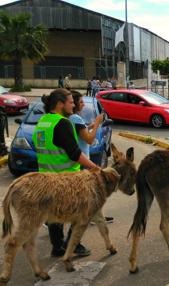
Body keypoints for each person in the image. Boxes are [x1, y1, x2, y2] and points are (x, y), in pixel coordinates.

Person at [34, 88, 99, 258]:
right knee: (81, 213)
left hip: (46, 178)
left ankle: (57, 247)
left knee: (54, 214)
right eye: (70, 102)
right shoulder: (63, 123)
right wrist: (95, 167)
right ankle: (73, 244)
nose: (73, 105)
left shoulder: (42, 122)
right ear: (60, 104)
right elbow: (75, 153)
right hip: (67, 180)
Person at [69, 90, 114, 224]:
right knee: (91, 191)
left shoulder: (71, 119)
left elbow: (80, 133)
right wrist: (97, 123)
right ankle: (89, 217)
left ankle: (93, 216)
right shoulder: (76, 118)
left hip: (79, 158)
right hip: (83, 159)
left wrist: (90, 126)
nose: (83, 104)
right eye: (80, 101)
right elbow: (88, 139)